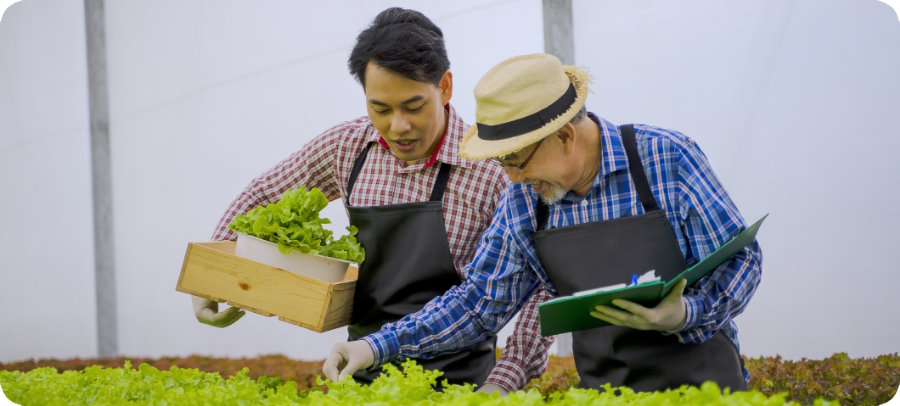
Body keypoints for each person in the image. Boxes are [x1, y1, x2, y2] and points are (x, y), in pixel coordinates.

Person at [323, 53, 763, 392]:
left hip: (707, 386)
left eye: (516, 161)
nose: (512, 178)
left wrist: (685, 313)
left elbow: (742, 261)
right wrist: (375, 346)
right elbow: (478, 303)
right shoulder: (525, 201)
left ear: (565, 136)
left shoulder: (665, 159)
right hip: (607, 393)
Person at [189, 9, 553, 393]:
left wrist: (507, 376)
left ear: (445, 87)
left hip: (460, 388)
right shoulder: (347, 148)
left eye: (413, 107)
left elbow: (543, 284)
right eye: (380, 108)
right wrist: (216, 272)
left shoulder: (492, 170)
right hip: (360, 380)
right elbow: (264, 195)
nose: (398, 126)